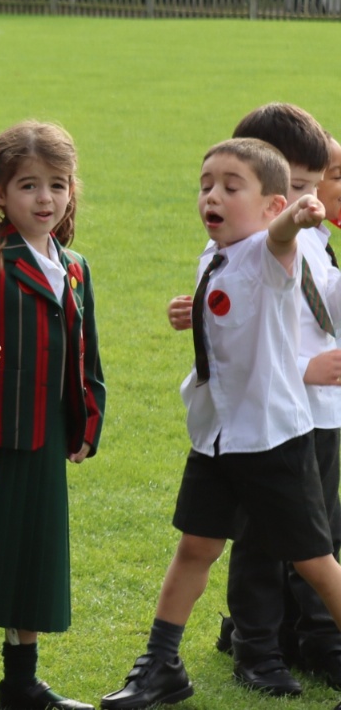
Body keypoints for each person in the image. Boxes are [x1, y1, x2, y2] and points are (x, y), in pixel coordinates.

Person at [101, 139, 341, 710]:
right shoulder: (216, 254)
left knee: (315, 562)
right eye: (206, 185)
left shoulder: (268, 252)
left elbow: (279, 239)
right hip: (216, 436)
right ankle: (160, 665)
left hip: (270, 440)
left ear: (271, 204)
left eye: (232, 187)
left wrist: (294, 219)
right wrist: (189, 309)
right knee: (195, 548)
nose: (213, 195)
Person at [163, 104, 341, 695]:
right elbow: (249, 338)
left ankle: (311, 639)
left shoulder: (312, 241)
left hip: (315, 412)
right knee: (260, 543)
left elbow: (321, 308)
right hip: (265, 413)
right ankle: (255, 645)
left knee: (316, 538)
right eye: (296, 188)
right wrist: (304, 368)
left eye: (312, 186)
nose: (305, 200)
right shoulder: (260, 241)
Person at [0, 122, 105, 710]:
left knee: (34, 562)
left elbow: (87, 354)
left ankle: (22, 682)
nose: (45, 199)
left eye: (57, 185)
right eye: (28, 185)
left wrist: (87, 424)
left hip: (47, 439)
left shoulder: (76, 266)